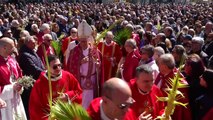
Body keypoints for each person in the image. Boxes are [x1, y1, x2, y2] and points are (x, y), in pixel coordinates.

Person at [29, 55, 82, 120]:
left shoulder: (68, 76)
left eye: (59, 65)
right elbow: (35, 108)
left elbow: (78, 91)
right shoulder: (39, 84)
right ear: (46, 67)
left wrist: (67, 96)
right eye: (55, 67)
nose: (58, 68)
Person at [67, 20, 103, 109]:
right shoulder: (74, 52)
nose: (82, 43)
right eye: (81, 41)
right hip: (80, 81)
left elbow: (100, 65)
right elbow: (70, 67)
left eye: (84, 41)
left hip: (92, 80)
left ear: (88, 40)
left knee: (91, 104)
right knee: (81, 104)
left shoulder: (94, 51)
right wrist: (80, 62)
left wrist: (98, 66)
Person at [154, 54, 192, 120]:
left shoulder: (177, 80)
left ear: (165, 66)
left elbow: (179, 106)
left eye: (159, 64)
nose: (157, 65)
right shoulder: (161, 74)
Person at [18, 35, 45, 119]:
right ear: (27, 43)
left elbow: (39, 63)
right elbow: (32, 68)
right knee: (29, 104)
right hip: (29, 84)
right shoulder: (24, 54)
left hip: (37, 81)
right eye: (33, 43)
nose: (35, 44)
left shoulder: (31, 51)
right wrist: (45, 72)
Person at [0, 37, 27, 120]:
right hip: (3, 102)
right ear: (4, 47)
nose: (15, 48)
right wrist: (11, 87)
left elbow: (19, 76)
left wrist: (21, 84)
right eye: (12, 46)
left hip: (16, 98)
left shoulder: (12, 60)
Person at [184, 54, 206, 120]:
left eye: (186, 65)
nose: (184, 66)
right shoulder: (189, 78)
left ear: (192, 67)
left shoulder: (199, 83)